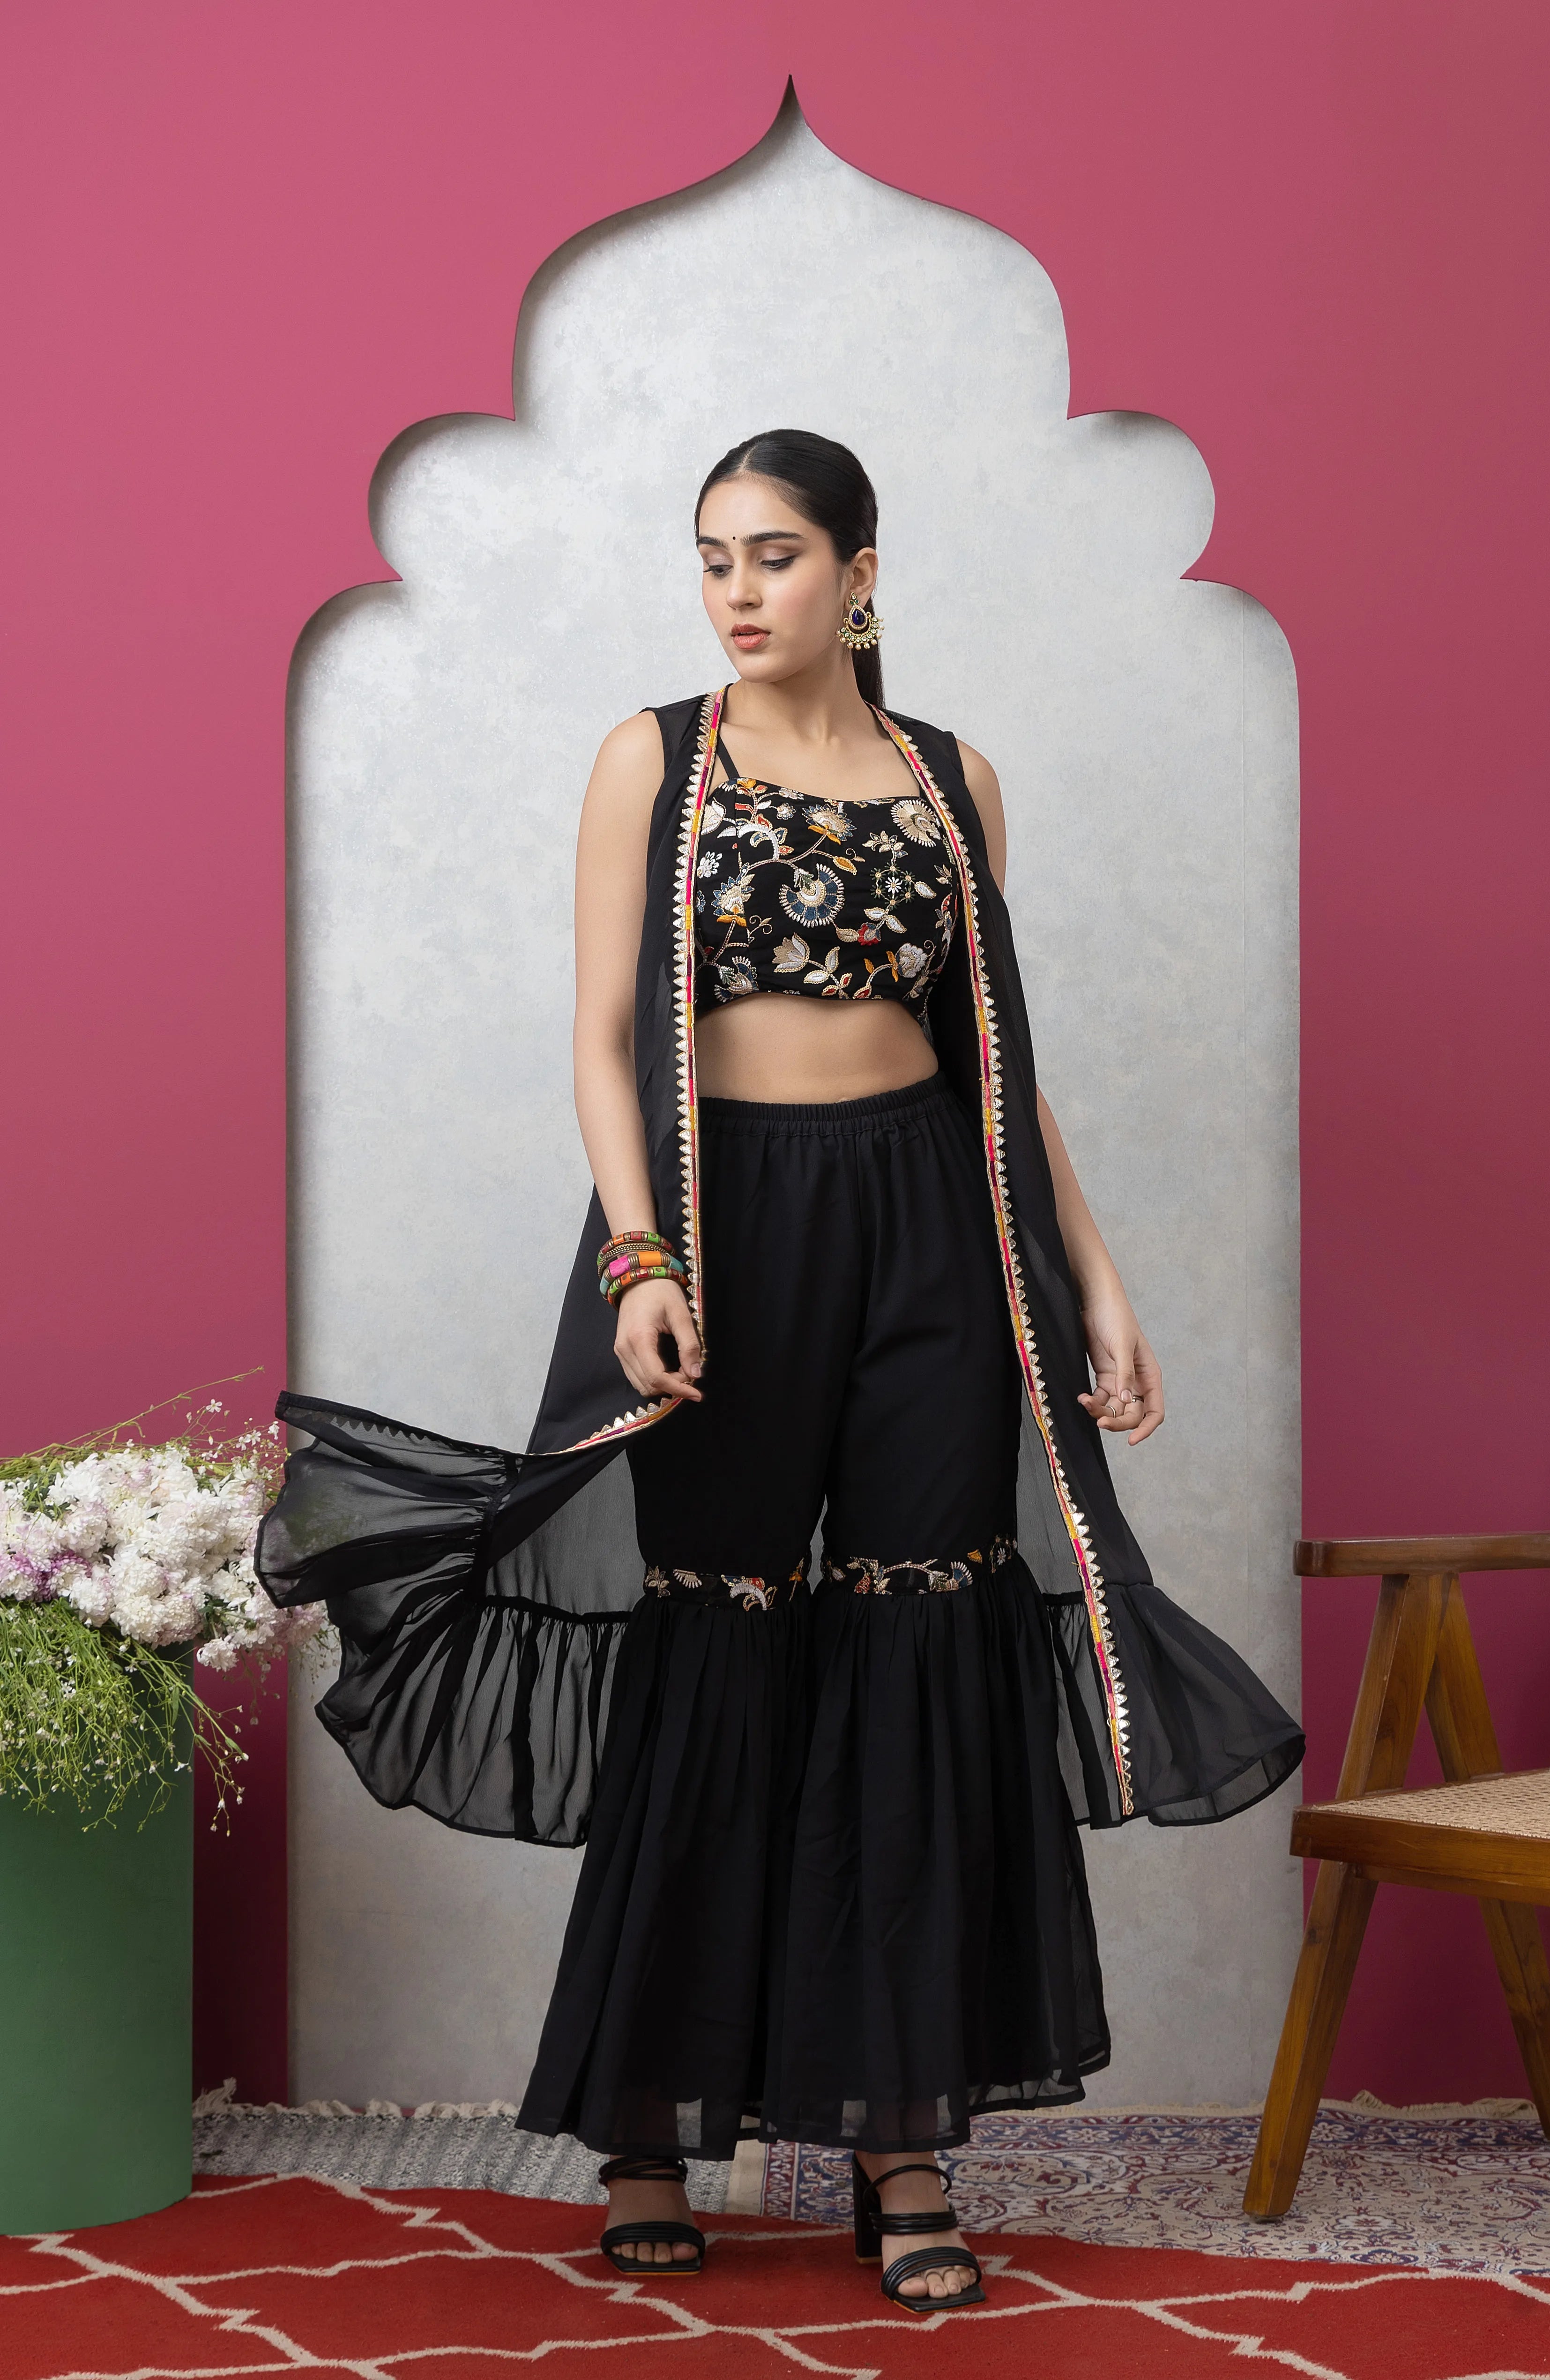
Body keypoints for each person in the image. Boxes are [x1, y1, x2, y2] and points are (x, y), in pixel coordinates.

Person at [259, 428, 1302, 2317]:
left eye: (775, 558)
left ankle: (898, 2134)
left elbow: (999, 1057)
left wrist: (1095, 1277)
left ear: (861, 572)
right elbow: (593, 1040)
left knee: (917, 1639)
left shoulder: (949, 777)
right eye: (712, 560)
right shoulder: (651, 760)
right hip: (718, 1227)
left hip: (932, 1232)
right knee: (718, 1631)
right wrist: (643, 1252)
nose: (738, 594)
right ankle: (652, 2118)